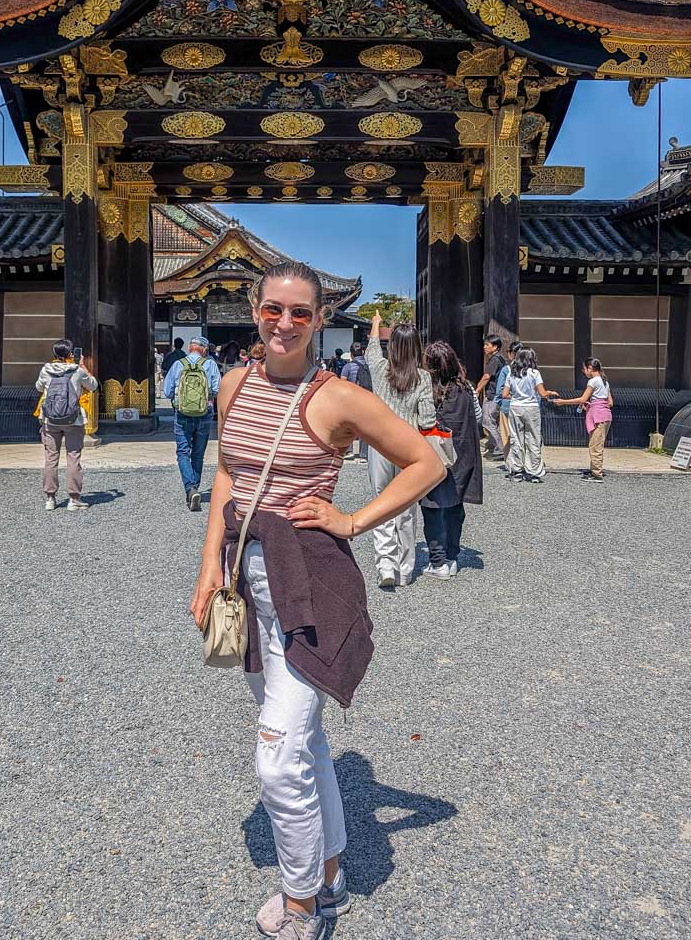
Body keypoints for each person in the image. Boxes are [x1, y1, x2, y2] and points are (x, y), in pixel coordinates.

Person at [190, 261, 441, 940]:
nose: (285, 323)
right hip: (246, 575)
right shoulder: (234, 387)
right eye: (274, 309)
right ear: (254, 309)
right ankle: (328, 873)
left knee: (277, 754)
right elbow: (227, 475)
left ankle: (303, 903)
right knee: (307, 745)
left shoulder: (336, 397)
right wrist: (208, 566)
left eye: (301, 312)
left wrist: (353, 520)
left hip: (308, 584)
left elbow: (428, 461)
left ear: (320, 319)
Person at [365, 311, 436, 588]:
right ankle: (405, 570)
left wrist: (375, 323)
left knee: (381, 502)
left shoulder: (381, 370)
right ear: (417, 347)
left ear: (391, 347)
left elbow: (372, 349)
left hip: (380, 444)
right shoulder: (422, 378)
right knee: (405, 508)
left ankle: (386, 564)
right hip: (409, 449)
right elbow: (428, 419)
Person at [421, 341, 483, 578]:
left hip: (433, 454)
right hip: (462, 453)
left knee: (432, 506)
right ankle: (452, 556)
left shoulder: (427, 388)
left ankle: (438, 562)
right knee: (456, 505)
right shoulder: (466, 387)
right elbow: (476, 416)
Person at [35, 340, 99, 512]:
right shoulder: (77, 371)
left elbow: (38, 387)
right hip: (73, 419)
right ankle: (74, 498)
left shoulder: (45, 369)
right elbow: (93, 385)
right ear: (71, 354)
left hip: (50, 420)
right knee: (73, 457)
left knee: (51, 457)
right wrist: (83, 366)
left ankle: (50, 498)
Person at [163, 336, 221, 512]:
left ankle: (190, 489)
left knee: (182, 451)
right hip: (205, 413)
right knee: (198, 453)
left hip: (182, 413)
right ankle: (193, 487)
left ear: (190, 348)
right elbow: (217, 389)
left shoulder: (178, 365)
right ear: (204, 349)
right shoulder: (210, 365)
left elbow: (167, 392)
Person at [552, 358, 614, 481]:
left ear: (590, 368)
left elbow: (582, 399)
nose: (584, 371)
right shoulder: (605, 381)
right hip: (606, 415)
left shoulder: (593, 381)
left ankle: (597, 473)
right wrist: (594, 403)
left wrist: (563, 402)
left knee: (595, 445)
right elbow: (610, 403)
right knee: (597, 443)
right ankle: (594, 469)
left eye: (584, 369)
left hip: (598, 416)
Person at [502, 347, 557, 482]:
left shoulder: (512, 374)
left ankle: (516, 471)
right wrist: (550, 392)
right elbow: (543, 393)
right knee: (533, 438)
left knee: (516, 438)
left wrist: (516, 396)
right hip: (531, 407)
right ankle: (533, 472)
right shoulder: (534, 373)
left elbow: (504, 394)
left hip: (515, 407)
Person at [476, 334, 506, 461]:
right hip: (496, 394)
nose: (484, 347)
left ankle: (500, 448)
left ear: (495, 347)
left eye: (487, 345)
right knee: (492, 422)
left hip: (493, 395)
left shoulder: (495, 359)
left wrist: (477, 390)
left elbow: (487, 376)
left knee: (487, 421)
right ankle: (495, 446)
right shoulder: (500, 359)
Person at [340, 342, 372, 461]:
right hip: (368, 398)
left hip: (352, 399)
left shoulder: (348, 366)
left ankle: (348, 451)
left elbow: (342, 382)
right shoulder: (369, 365)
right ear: (363, 351)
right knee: (365, 426)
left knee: (349, 425)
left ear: (351, 354)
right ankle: (364, 454)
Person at [494, 340, 523, 462]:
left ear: (512, 353)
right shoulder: (529, 369)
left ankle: (511, 462)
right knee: (521, 435)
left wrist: (499, 403)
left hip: (507, 406)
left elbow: (500, 390)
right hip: (523, 407)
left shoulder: (507, 369)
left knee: (507, 436)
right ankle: (522, 460)